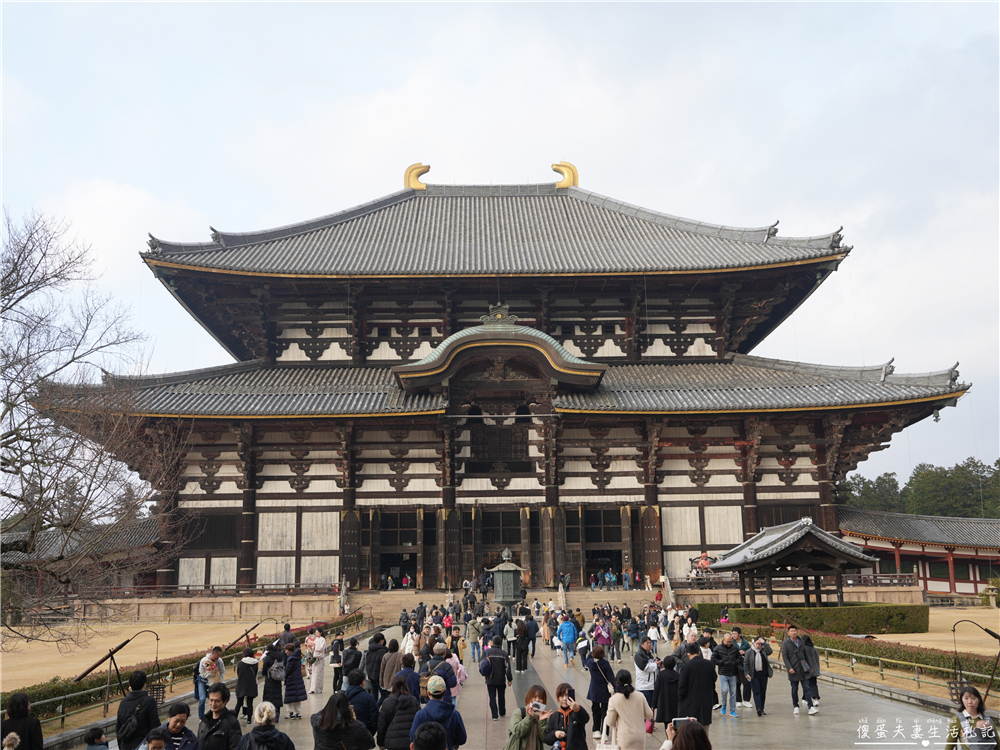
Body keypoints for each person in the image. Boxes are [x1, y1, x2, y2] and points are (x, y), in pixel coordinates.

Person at [410, 677, 466, 750]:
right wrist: (449, 742)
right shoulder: (454, 714)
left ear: (428, 693)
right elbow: (462, 738)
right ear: (445, 691)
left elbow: (413, 738)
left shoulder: (420, 715)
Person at [606, 671, 653, 750]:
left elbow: (610, 722)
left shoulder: (614, 699)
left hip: (624, 738)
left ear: (616, 682)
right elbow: (649, 714)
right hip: (640, 736)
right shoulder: (640, 695)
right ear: (631, 681)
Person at [116, 671, 160, 750]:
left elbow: (118, 727)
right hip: (142, 745)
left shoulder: (124, 702)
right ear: (144, 684)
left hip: (125, 745)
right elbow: (155, 726)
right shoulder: (149, 701)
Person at [779, 626, 817, 715]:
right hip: (793, 669)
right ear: (788, 633)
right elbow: (785, 657)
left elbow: (806, 655)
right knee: (794, 689)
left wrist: (809, 667)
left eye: (795, 631)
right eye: (791, 631)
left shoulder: (801, 641)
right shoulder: (785, 643)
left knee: (807, 688)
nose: (793, 632)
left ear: (797, 632)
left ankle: (810, 707)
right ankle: (796, 706)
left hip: (803, 669)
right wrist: (789, 668)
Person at [376, 676, 421, 750]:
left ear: (392, 687)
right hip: (409, 742)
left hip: (392, 742)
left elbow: (382, 726)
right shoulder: (413, 701)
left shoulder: (387, 702)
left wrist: (381, 743)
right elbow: (419, 722)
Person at [946, 686, 997, 750]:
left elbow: (997, 742)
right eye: (966, 698)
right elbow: (950, 743)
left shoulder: (986, 718)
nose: (970, 701)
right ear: (962, 700)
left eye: (973, 698)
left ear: (978, 700)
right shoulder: (957, 719)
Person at [677, 644, 716, 728]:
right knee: (704, 729)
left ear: (688, 654)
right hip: (706, 701)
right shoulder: (709, 664)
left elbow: (682, 686)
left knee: (691, 729)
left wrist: (680, 698)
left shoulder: (686, 667)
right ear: (699, 652)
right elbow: (714, 678)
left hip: (690, 703)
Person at [585, 644, 617, 741]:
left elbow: (588, 657)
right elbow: (611, 677)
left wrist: (593, 652)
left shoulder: (590, 662)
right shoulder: (605, 663)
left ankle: (596, 730)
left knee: (595, 710)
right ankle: (605, 732)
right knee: (605, 712)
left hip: (594, 690)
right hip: (604, 691)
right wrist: (616, 689)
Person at [545, 682, 589, 750]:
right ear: (558, 698)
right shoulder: (554, 716)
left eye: (567, 695)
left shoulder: (577, 711)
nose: (565, 698)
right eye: (561, 696)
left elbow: (585, 719)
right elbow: (547, 739)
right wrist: (555, 734)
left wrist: (577, 709)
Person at [197, 683, 242, 750]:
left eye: (217, 701)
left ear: (226, 701)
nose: (213, 704)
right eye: (211, 700)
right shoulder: (203, 722)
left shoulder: (232, 723)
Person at [505, 685, 551, 750]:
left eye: (541, 698)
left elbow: (544, 739)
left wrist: (541, 721)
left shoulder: (544, 717)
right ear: (529, 698)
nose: (537, 700)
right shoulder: (519, 712)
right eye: (534, 697)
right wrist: (529, 718)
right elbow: (517, 732)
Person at [710, 632, 741, 717]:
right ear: (723, 640)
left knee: (733, 693)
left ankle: (732, 710)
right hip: (723, 673)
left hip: (733, 673)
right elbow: (713, 658)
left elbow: (739, 658)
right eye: (728, 642)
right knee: (724, 691)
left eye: (731, 642)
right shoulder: (718, 648)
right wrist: (721, 663)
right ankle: (723, 705)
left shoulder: (735, 648)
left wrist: (735, 662)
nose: (729, 643)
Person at [483, 635, 513, 721]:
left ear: (492, 643)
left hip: (490, 678)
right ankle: (502, 712)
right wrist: (509, 679)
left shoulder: (487, 652)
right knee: (501, 696)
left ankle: (494, 715)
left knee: (492, 696)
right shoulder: (504, 653)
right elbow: (507, 668)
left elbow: (482, 663)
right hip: (500, 679)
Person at [743, 635, 773, 716]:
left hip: (763, 674)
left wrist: (764, 642)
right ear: (754, 642)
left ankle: (762, 709)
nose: (758, 645)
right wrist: (747, 673)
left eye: (760, 644)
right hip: (754, 675)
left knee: (763, 692)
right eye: (757, 643)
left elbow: (770, 651)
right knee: (757, 692)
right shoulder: (749, 652)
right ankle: (758, 708)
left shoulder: (763, 651)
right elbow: (746, 664)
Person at [346, 669, 379, 736]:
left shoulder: (342, 696)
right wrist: (369, 734)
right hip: (363, 733)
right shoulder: (369, 698)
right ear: (363, 682)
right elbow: (374, 719)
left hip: (345, 734)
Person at [653, 656, 679, 734]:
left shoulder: (661, 675)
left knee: (667, 725)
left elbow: (656, 690)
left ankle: (669, 738)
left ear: (664, 664)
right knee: (676, 725)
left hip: (664, 703)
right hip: (676, 703)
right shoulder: (678, 675)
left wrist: (654, 704)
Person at [260, 645, 284, 723]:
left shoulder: (268, 658)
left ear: (268, 650)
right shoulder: (280, 656)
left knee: (269, 698)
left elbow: (264, 670)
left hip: (269, 679)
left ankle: (270, 716)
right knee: (277, 697)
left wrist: (264, 673)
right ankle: (277, 716)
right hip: (278, 679)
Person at [281, 643, 306, 720]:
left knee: (289, 697)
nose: (285, 652)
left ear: (290, 650)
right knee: (297, 697)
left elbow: (288, 670)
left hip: (291, 679)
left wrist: (284, 676)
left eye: (286, 650)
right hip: (298, 678)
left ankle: (291, 712)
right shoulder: (297, 657)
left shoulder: (291, 659)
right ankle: (298, 713)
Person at [235, 647, 259, 726]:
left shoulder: (240, 663)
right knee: (250, 703)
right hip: (251, 684)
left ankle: (234, 718)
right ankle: (249, 721)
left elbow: (238, 673)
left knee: (239, 702)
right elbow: (255, 673)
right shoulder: (256, 663)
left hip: (241, 684)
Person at [634, 637, 660, 707]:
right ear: (642, 644)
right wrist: (655, 664)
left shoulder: (649, 654)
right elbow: (645, 667)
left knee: (651, 707)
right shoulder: (639, 655)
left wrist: (659, 666)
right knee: (645, 708)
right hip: (644, 687)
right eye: (647, 643)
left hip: (651, 686)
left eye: (650, 643)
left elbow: (653, 667)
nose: (649, 645)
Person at [800, 634, 821, 705]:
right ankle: (814, 699)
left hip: (807, 669)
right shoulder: (813, 648)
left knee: (806, 685)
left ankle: (809, 698)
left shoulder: (804, 649)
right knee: (813, 684)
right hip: (815, 669)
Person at [309, 629, 328, 695]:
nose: (316, 634)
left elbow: (321, 648)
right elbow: (314, 648)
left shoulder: (323, 639)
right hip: (315, 658)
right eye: (316, 633)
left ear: (321, 633)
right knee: (314, 674)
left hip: (320, 659)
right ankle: (312, 689)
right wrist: (311, 647)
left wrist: (315, 644)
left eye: (317, 633)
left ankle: (318, 689)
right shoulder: (316, 639)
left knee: (318, 674)